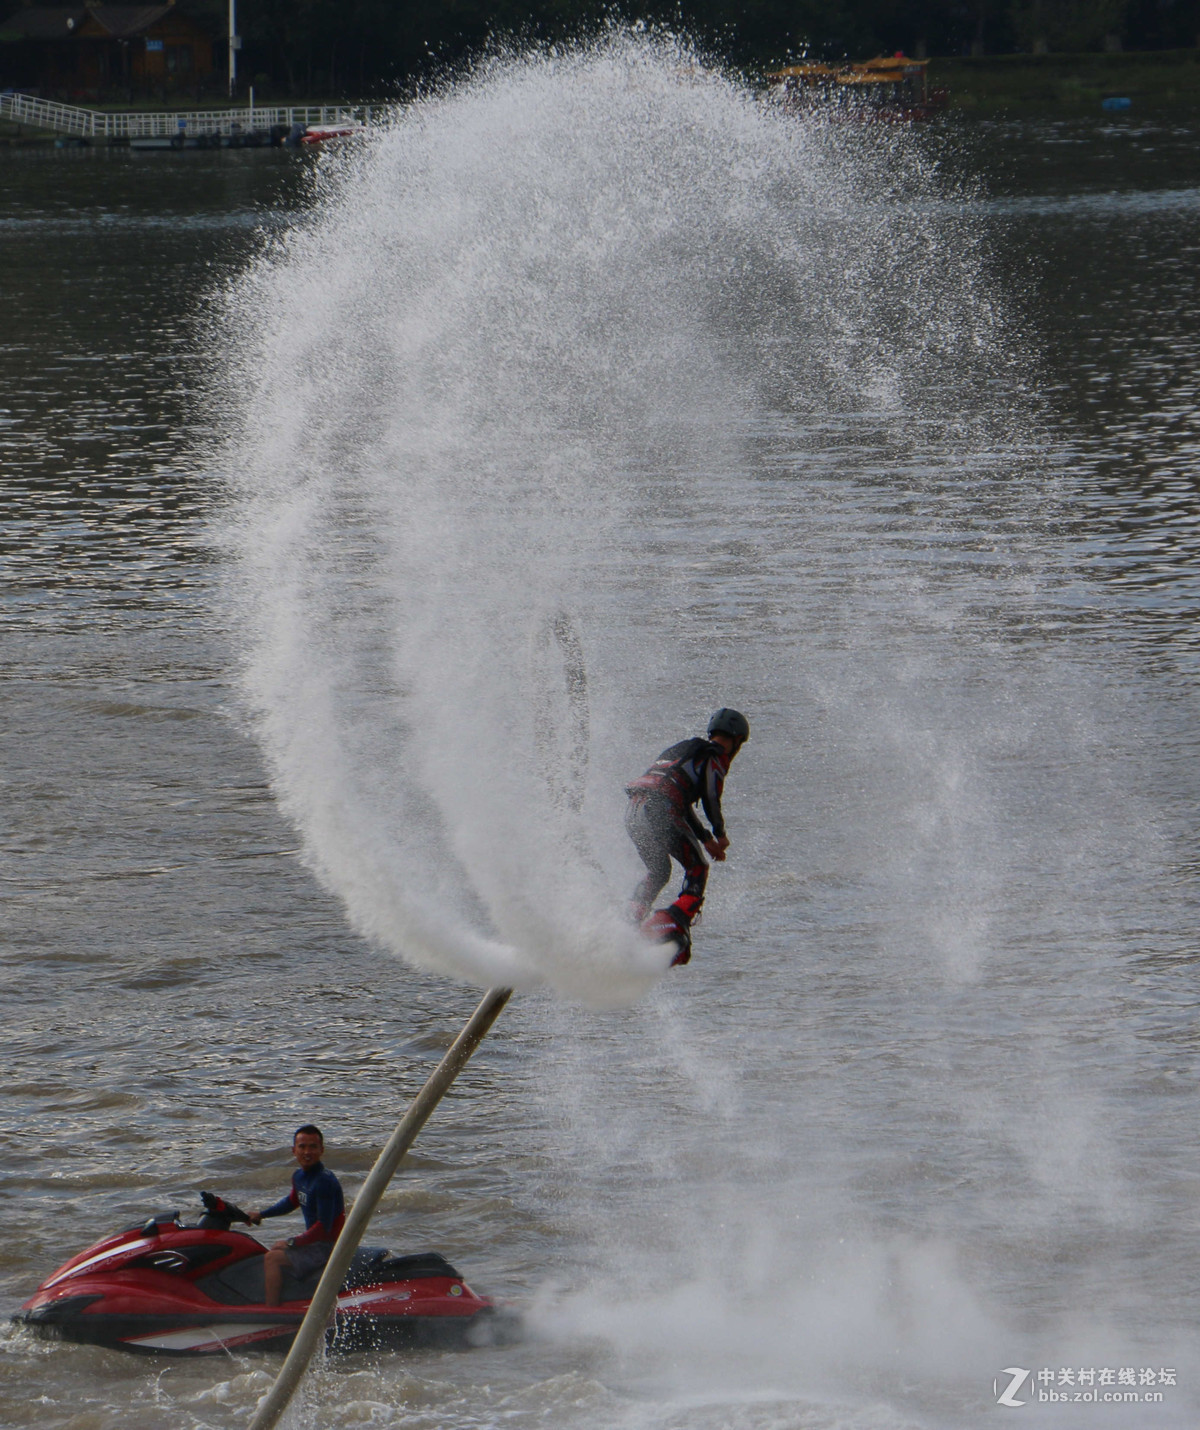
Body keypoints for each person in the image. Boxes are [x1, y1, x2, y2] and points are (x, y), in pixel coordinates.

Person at [625, 708, 750, 956]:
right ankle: (670, 926)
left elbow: (677, 799)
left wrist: (706, 839)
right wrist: (720, 833)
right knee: (698, 868)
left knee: (659, 872)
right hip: (659, 810)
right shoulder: (715, 757)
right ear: (736, 741)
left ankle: (629, 924)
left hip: (633, 813)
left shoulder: (683, 750)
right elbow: (711, 797)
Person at [248, 1124, 345, 1306]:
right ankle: (293, 1298)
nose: (307, 1152)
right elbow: (292, 1201)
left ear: (321, 1150)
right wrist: (261, 1214)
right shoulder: (299, 1176)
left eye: (313, 1147)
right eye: (302, 1147)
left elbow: (324, 1228)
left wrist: (292, 1242)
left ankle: (271, 1312)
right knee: (273, 1250)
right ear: (294, 1150)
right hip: (315, 1242)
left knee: (272, 1259)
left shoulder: (324, 1181)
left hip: (327, 1246)